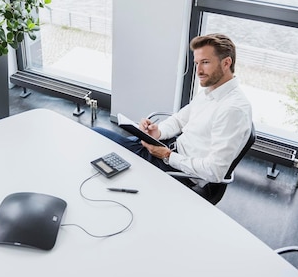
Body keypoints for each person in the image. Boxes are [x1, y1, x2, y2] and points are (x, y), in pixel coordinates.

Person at [94, 33, 252, 199]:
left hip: (177, 172)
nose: (198, 71)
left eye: (205, 62)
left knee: (99, 139)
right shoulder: (211, 91)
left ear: (226, 63)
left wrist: (167, 156)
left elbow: (214, 171)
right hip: (167, 149)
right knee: (98, 138)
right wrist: (158, 132)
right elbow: (179, 120)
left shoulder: (233, 110)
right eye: (196, 63)